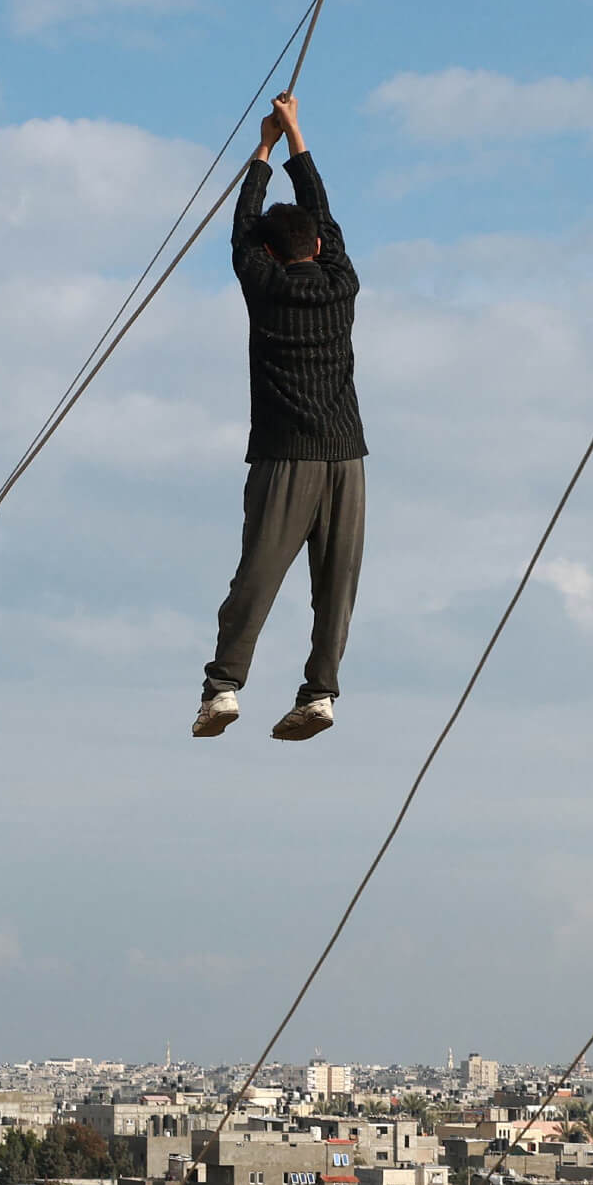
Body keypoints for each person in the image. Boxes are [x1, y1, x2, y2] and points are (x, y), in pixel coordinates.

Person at [196, 91, 368, 745]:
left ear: (267, 255)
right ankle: (320, 694)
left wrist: (262, 150)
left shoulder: (262, 285)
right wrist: (294, 139)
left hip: (285, 457)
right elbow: (321, 214)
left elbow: (243, 230)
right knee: (337, 583)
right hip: (348, 459)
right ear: (319, 247)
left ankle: (223, 686)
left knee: (258, 574)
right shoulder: (341, 281)